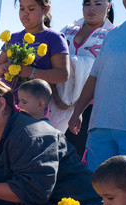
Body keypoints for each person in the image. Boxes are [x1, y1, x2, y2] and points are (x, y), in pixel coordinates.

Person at [68, 0, 126, 172]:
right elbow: (95, 76)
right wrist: (77, 110)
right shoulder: (113, 34)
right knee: (98, 188)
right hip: (100, 127)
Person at [49, 0, 113, 156]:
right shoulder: (67, 30)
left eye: (98, 4)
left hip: (90, 106)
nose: (91, 8)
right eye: (87, 4)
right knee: (49, 149)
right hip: (55, 100)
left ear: (108, 7)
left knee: (74, 155)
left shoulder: (112, 35)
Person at [0, 0, 69, 102]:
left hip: (35, 107)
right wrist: (3, 67)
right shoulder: (13, 38)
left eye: (31, 9)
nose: (25, 13)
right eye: (22, 8)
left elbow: (63, 75)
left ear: (45, 9)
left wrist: (31, 72)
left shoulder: (54, 38)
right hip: (7, 102)